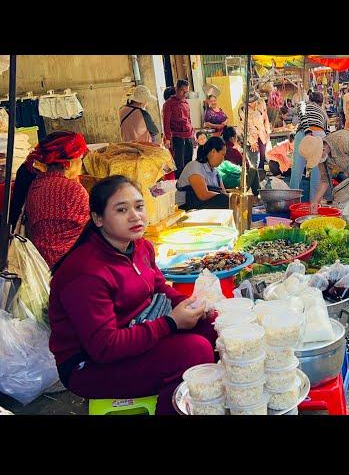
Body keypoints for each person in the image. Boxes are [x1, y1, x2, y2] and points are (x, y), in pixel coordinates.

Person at [48, 175, 214, 415]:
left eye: (139, 206)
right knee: (194, 350)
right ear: (98, 219)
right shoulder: (85, 273)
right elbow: (104, 347)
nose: (135, 216)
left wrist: (190, 305)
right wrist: (170, 323)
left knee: (211, 325)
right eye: (121, 210)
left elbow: (159, 287)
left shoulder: (140, 246)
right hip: (88, 365)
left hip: (136, 328)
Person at [9, 131, 90, 268]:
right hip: (72, 265)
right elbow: (95, 228)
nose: (81, 165)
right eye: (80, 159)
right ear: (68, 164)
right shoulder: (73, 190)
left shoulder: (35, 184)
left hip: (40, 263)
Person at [289, 91, 329, 202]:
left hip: (304, 134)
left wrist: (307, 130)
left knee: (297, 170)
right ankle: (314, 205)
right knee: (317, 174)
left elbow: (300, 114)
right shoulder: (323, 112)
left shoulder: (303, 104)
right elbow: (327, 130)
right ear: (320, 102)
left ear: (310, 99)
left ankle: (292, 203)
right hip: (320, 136)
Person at [175, 136, 229, 210]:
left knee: (228, 201)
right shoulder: (194, 166)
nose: (223, 159)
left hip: (203, 207)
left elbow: (223, 193)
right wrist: (224, 196)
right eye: (222, 155)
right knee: (224, 200)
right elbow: (203, 195)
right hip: (186, 208)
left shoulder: (216, 173)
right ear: (213, 152)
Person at [162, 79, 194, 178]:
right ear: (176, 89)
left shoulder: (186, 103)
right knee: (179, 164)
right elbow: (166, 122)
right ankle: (180, 185)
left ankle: (188, 183)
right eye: (182, 91)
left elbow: (189, 119)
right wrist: (167, 138)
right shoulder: (169, 104)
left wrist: (193, 135)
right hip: (177, 137)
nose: (184, 94)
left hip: (189, 136)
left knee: (189, 163)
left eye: (186, 92)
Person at [221, 126, 260, 196]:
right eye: (236, 137)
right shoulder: (234, 151)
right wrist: (242, 153)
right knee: (253, 170)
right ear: (232, 138)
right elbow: (247, 166)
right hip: (233, 183)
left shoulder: (221, 149)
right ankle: (257, 195)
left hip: (222, 181)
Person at [239, 92, 270, 170]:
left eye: (253, 101)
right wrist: (252, 142)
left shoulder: (261, 103)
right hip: (250, 135)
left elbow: (266, 118)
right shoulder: (243, 109)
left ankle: (261, 174)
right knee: (254, 159)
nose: (251, 103)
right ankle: (254, 176)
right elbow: (245, 126)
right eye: (249, 102)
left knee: (262, 156)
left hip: (262, 134)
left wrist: (268, 131)